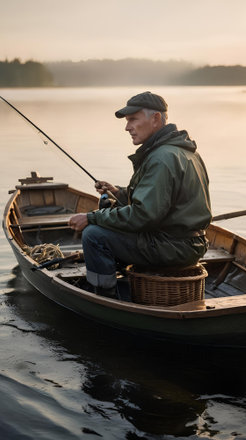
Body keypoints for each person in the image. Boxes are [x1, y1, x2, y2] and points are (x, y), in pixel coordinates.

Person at [69, 91, 212, 297]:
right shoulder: (185, 152)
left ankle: (103, 295)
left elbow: (142, 217)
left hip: (173, 247)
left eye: (133, 120)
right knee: (106, 216)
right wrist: (118, 193)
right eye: (127, 121)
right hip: (190, 244)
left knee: (93, 235)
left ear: (155, 119)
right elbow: (162, 201)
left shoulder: (161, 158)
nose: (127, 127)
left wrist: (91, 217)